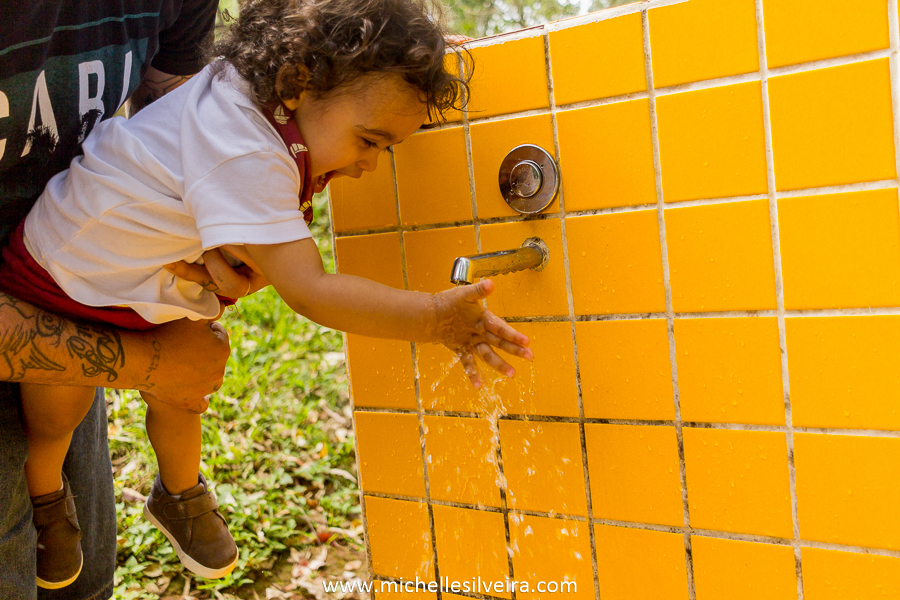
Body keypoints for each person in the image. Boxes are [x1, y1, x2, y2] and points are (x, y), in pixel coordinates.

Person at [0, 0, 534, 591]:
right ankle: (48, 501)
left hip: (141, 278)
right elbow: (312, 291)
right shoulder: (249, 148)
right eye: (368, 141)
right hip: (63, 275)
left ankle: (181, 495)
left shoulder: (261, 98)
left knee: (183, 390)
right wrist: (434, 318)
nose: (370, 166)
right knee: (58, 413)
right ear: (298, 82)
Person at [0, 1, 265, 597]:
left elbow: (180, 122)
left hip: (75, 278)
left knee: (82, 578)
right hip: (43, 276)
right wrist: (151, 364)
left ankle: (165, 493)